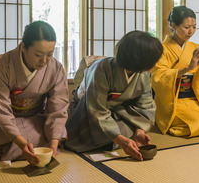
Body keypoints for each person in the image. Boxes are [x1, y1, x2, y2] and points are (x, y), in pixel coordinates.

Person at [65, 31, 163, 161]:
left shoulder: (143, 73)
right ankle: (114, 139)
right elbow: (96, 110)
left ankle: (116, 137)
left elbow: (146, 104)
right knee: (111, 133)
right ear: (139, 60)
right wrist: (122, 141)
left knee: (129, 130)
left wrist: (140, 131)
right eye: (153, 60)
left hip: (116, 110)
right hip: (86, 109)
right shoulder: (100, 68)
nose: (155, 64)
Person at [0, 21, 69, 165]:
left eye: (49, 54)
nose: (44, 60)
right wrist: (21, 143)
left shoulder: (56, 68)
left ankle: (21, 149)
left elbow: (58, 108)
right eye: (38, 54)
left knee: (57, 133)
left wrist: (53, 144)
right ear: (23, 47)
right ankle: (19, 147)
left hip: (35, 117)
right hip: (7, 120)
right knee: (22, 136)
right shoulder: (4, 65)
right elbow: (0, 109)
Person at [151, 6, 199, 137]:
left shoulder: (197, 48)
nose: (191, 31)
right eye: (187, 27)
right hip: (174, 102)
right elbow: (159, 78)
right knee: (197, 122)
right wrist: (188, 68)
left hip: (195, 99)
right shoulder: (161, 50)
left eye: (194, 27)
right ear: (174, 26)